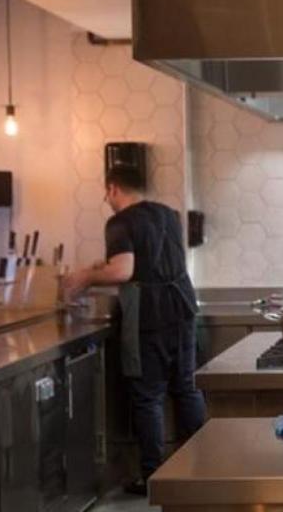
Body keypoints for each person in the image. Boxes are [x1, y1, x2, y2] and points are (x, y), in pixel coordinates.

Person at [63, 165, 205, 496]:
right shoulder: (168, 215)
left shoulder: (120, 222)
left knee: (148, 396)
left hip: (148, 318)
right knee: (186, 388)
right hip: (183, 309)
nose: (106, 199)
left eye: (106, 193)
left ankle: (154, 477)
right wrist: (104, 268)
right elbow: (150, 260)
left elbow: (124, 270)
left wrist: (84, 277)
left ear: (113, 189)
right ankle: (201, 468)